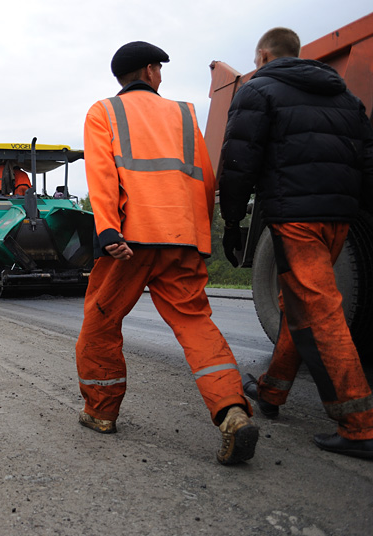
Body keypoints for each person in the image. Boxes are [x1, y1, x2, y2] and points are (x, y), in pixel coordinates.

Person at [77, 41, 258, 465]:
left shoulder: (103, 111)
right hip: (181, 239)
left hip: (128, 242)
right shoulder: (183, 113)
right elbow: (205, 178)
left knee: (101, 323)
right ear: (151, 70)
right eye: (160, 68)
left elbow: (102, 174)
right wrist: (202, 236)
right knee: (196, 325)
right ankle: (231, 410)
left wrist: (106, 229)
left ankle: (100, 413)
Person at [219, 27, 373, 458]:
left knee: (321, 312)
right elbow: (368, 159)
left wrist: (233, 222)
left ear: (264, 56)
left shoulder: (258, 91)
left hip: (295, 219)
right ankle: (271, 392)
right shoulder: (345, 97)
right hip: (340, 220)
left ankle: (361, 426)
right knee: (299, 304)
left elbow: (237, 161)